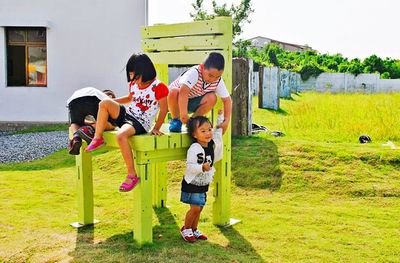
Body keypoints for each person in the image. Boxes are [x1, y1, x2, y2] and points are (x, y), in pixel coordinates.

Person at [85, 53, 169, 192]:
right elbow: (130, 98)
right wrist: (112, 102)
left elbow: (164, 109)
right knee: (104, 103)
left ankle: (131, 175)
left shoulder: (158, 87)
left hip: (141, 122)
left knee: (121, 136)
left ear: (145, 72)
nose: (133, 80)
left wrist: (156, 127)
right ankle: (97, 138)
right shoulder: (133, 84)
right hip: (128, 115)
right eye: (131, 76)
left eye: (135, 76)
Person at [180, 111, 224, 242]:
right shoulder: (195, 148)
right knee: (195, 208)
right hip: (192, 182)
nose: (208, 133)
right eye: (203, 131)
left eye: (209, 129)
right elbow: (190, 166)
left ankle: (194, 229)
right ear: (194, 134)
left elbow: (219, 132)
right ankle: (186, 228)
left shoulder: (211, 144)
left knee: (200, 207)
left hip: (203, 182)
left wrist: (220, 117)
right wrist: (201, 167)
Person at [168, 52, 232, 133]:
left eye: (217, 77)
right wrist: (183, 115)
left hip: (190, 102)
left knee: (212, 97)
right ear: (202, 67)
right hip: (174, 101)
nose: (213, 80)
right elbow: (183, 91)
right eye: (210, 76)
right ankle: (176, 120)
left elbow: (227, 100)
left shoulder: (217, 81)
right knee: (174, 91)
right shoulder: (194, 73)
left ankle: (192, 122)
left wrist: (226, 121)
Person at [67, 87, 116, 155]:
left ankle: (76, 138)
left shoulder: (98, 93)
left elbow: (80, 122)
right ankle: (89, 130)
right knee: (112, 125)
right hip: (92, 98)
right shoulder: (108, 101)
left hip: (73, 100)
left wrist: (91, 124)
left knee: (75, 122)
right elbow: (106, 122)